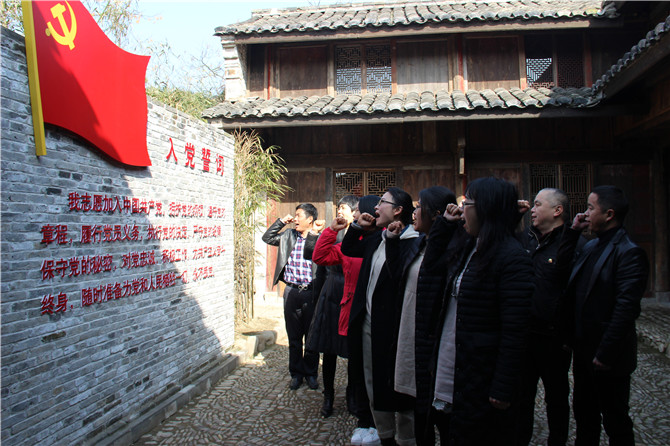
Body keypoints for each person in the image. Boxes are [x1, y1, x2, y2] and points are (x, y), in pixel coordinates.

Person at [429, 177, 534, 445]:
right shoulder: (469, 246)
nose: (462, 209)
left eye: (468, 203)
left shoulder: (512, 257)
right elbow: (432, 267)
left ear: (486, 208)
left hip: (482, 372)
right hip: (458, 362)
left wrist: (503, 386)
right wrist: (444, 225)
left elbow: (516, 330)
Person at [565, 185, 649, 446]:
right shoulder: (591, 246)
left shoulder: (628, 252)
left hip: (608, 356)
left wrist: (605, 353)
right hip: (584, 350)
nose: (585, 213)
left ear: (609, 214)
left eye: (591, 208)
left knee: (616, 420)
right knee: (584, 416)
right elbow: (565, 275)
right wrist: (573, 233)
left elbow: (626, 309)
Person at [342, 187, 418, 446]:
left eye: (382, 202)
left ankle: (407, 436)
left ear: (398, 210)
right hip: (368, 321)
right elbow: (349, 248)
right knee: (371, 377)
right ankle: (383, 432)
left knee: (400, 383)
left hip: (396, 327)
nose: (375, 207)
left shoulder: (414, 242)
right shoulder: (378, 238)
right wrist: (357, 227)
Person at [385, 186, 457, 446]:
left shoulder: (450, 249)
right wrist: (392, 242)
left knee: (439, 414)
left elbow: (432, 267)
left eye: (419, 208)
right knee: (419, 407)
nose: (414, 213)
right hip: (410, 330)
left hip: (431, 338)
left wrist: (443, 227)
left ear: (436, 215)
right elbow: (397, 277)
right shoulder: (419, 242)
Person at [312, 194, 382, 445]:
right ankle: (333, 397)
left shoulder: (384, 241)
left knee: (364, 362)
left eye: (356, 211)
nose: (355, 216)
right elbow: (320, 256)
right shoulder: (348, 243)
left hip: (372, 310)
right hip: (343, 306)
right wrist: (332, 231)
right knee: (336, 354)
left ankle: (360, 401)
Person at [514, 188, 575, 446]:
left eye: (539, 204)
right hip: (526, 333)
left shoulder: (571, 243)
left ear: (557, 211)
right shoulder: (526, 239)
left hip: (554, 337)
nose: (533, 209)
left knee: (557, 396)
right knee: (522, 395)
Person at [261, 203, 324, 390]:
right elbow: (267, 237)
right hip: (291, 292)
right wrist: (281, 222)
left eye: (298, 216)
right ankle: (296, 374)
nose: (295, 219)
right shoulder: (289, 235)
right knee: (294, 337)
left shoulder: (319, 238)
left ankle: (311, 374)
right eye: (295, 216)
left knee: (311, 337)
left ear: (310, 219)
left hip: (311, 292)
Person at [307, 195, 357, 417]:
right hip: (331, 293)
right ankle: (328, 395)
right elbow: (314, 256)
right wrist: (322, 233)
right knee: (328, 350)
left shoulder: (362, 235)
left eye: (344, 208)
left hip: (352, 294)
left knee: (353, 351)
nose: (339, 211)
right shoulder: (333, 232)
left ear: (355, 212)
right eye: (339, 207)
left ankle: (352, 394)